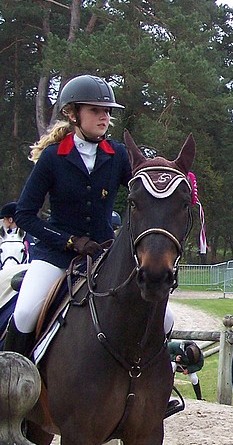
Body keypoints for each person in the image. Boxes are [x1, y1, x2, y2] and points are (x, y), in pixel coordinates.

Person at [3, 74, 141, 358]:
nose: (104, 117)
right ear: (72, 113)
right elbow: (25, 215)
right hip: (56, 255)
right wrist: (69, 242)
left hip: (104, 254)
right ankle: (11, 382)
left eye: (107, 112)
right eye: (95, 110)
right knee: (26, 312)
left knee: (164, 320)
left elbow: (142, 192)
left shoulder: (118, 155)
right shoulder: (53, 158)